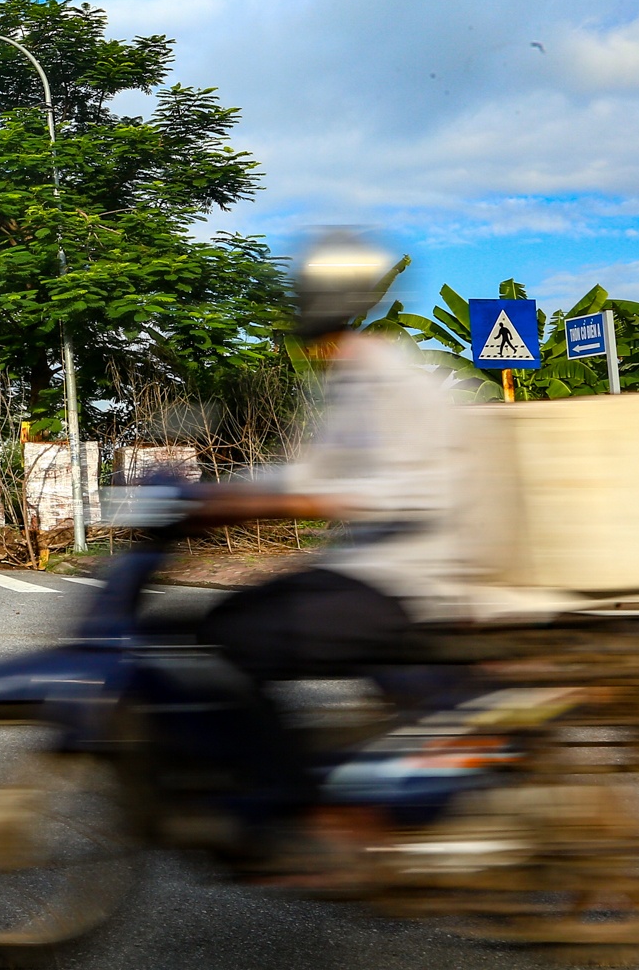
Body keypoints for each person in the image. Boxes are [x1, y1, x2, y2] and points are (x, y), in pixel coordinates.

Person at [174, 229, 480, 859]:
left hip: (409, 580)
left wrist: (303, 500)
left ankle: (294, 809)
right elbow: (309, 474)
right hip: (367, 568)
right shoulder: (350, 382)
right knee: (209, 624)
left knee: (238, 636)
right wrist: (213, 495)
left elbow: (405, 488)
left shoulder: (397, 381)